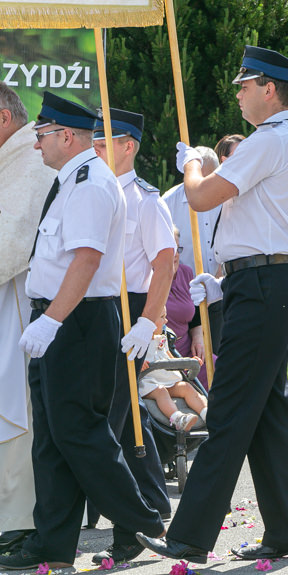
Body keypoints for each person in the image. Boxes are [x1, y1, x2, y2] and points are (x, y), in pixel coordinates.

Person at [136, 45, 288, 563]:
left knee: (232, 410)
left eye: (245, 84)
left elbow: (200, 197)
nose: (238, 92)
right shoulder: (280, 139)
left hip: (263, 285)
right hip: (259, 282)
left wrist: (193, 164)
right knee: (268, 413)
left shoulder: (270, 138)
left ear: (269, 89)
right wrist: (225, 280)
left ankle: (188, 535)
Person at [0, 92, 165, 570]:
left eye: (43, 135)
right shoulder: (70, 180)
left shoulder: (91, 183)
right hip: (59, 317)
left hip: (77, 320)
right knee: (52, 438)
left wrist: (51, 319)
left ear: (66, 136)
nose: (36, 145)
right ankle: (52, 543)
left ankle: (143, 520)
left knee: (80, 434)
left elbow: (87, 259)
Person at [90, 108, 175, 562]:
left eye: (104, 143)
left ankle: (136, 523)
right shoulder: (94, 193)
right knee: (117, 423)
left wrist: (150, 321)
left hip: (132, 312)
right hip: (100, 309)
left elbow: (166, 260)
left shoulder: (145, 200)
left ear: (128, 146)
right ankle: (149, 508)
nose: (95, 150)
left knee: (118, 423)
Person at [0, 83, 54, 554]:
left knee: (16, 412)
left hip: (20, 308)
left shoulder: (28, 162)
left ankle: (19, 520)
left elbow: (9, 244)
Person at [162, 143, 226, 355]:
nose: (207, 187)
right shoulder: (168, 202)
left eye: (212, 180)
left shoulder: (227, 199)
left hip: (219, 291)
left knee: (220, 354)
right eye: (202, 179)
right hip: (184, 295)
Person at [166, 228, 213, 388]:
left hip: (189, 351)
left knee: (220, 368)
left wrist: (199, 338)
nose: (175, 254)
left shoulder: (186, 272)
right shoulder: (145, 278)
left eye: (178, 248)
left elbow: (195, 315)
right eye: (170, 248)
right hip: (163, 355)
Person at [138, 328, 208, 432]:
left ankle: (207, 414)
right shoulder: (138, 341)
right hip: (149, 383)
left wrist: (186, 363)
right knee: (161, 391)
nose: (165, 321)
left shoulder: (162, 339)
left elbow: (170, 360)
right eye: (162, 317)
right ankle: (178, 419)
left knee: (186, 386)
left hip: (167, 380)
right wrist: (137, 362)